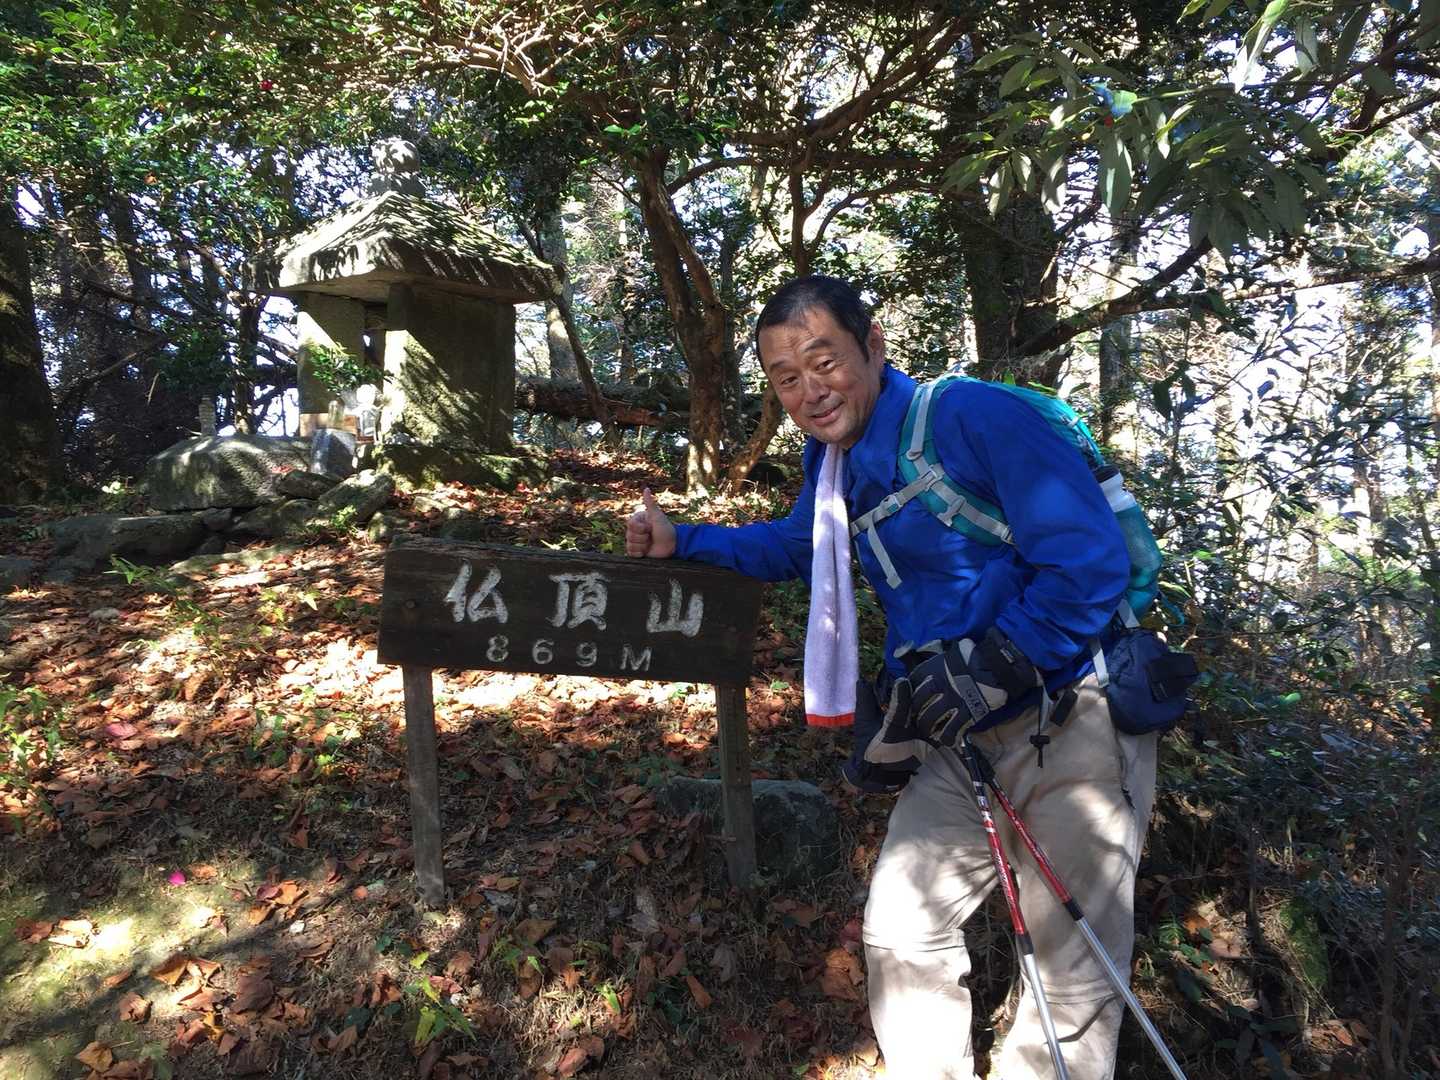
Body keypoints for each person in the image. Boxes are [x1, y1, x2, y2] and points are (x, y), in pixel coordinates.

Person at [625, 275, 1157, 1080]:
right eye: (786, 378)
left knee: (1072, 967)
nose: (810, 391)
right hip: (957, 736)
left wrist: (999, 662)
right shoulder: (834, 460)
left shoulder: (975, 417)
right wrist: (686, 540)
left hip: (1070, 718)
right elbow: (801, 546)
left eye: (823, 362)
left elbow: (1089, 564)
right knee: (903, 931)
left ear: (873, 346)